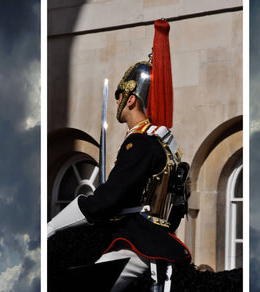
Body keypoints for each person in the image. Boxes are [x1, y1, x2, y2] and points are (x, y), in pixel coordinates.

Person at [47, 25, 192, 289]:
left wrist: (52, 227)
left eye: (119, 94)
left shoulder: (140, 141)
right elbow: (179, 206)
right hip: (160, 240)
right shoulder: (168, 146)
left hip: (137, 243)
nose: (116, 101)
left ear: (131, 99)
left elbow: (108, 200)